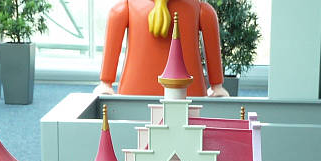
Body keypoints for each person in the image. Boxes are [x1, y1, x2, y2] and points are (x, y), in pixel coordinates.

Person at [96, 0, 228, 98]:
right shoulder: (197, 8)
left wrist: (217, 85)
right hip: (184, 92)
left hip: (182, 94)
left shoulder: (128, 7)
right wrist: (106, 83)